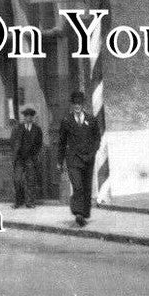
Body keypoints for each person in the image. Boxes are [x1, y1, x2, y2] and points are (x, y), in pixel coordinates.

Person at [56, 92, 102, 227]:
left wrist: (93, 151)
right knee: (78, 186)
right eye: (75, 104)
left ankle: (84, 213)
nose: (77, 106)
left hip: (88, 158)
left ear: (83, 105)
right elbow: (62, 142)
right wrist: (59, 161)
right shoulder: (66, 121)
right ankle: (78, 213)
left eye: (79, 104)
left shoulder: (91, 120)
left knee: (87, 186)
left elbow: (97, 138)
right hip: (73, 159)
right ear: (72, 105)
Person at [9, 105, 44, 208]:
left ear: (32, 118)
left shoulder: (37, 129)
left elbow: (39, 143)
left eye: (30, 116)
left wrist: (35, 155)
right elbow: (12, 141)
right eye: (26, 116)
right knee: (17, 180)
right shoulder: (17, 128)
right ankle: (18, 201)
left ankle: (30, 202)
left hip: (30, 158)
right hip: (19, 158)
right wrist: (15, 153)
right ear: (24, 117)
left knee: (30, 180)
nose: (28, 118)